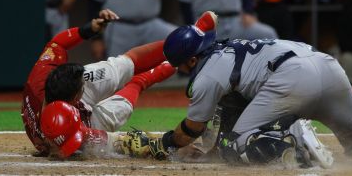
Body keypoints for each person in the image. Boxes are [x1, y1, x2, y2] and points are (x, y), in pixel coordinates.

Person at [140, 25, 352, 166]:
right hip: (327, 67)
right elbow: (233, 108)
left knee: (236, 148)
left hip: (291, 79)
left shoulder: (205, 76)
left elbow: (192, 129)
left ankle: (295, 136)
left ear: (189, 61)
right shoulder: (229, 51)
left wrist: (163, 143)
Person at [22, 9, 217, 158]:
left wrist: (88, 30)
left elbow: (57, 44)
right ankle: (149, 77)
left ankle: (186, 42)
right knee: (120, 108)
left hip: (72, 89)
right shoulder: (82, 132)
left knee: (123, 65)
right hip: (79, 119)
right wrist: (171, 147)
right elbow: (126, 143)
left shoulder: (40, 76)